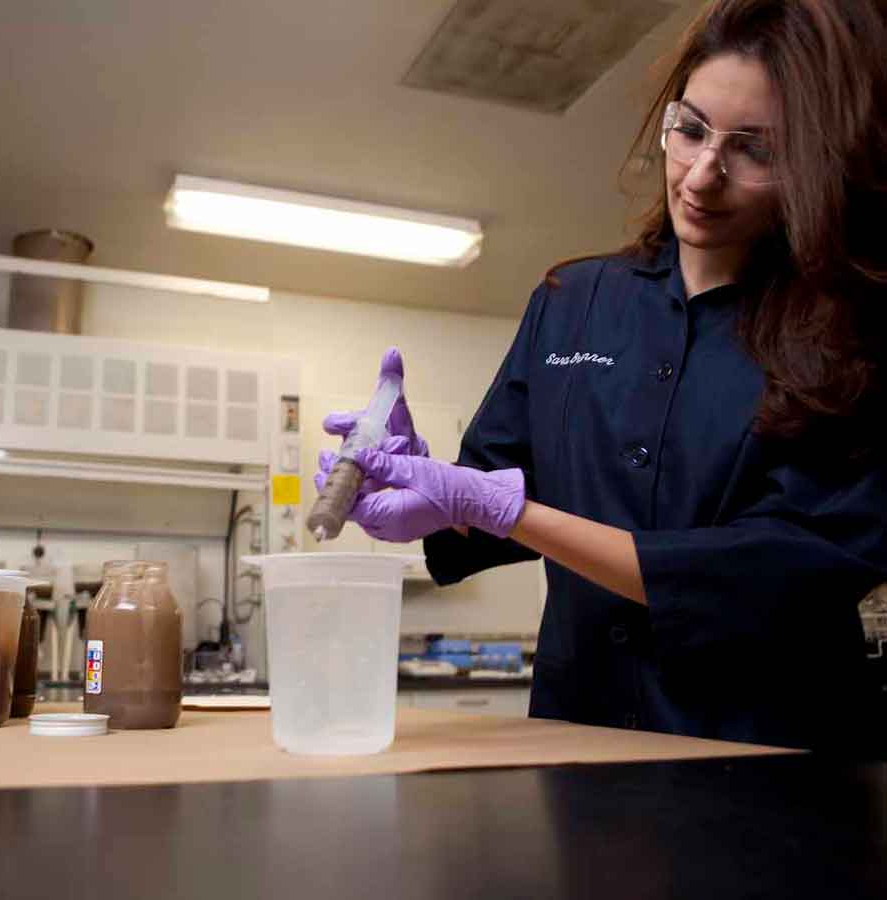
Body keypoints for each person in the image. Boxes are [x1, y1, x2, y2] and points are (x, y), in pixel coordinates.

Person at [318, 0, 887, 753]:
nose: (703, 175)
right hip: (579, 735)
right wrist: (423, 481)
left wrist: (501, 509)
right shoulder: (573, 305)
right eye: (689, 130)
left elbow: (786, 572)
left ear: (815, 163)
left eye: (755, 151)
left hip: (768, 757)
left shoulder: (852, 331)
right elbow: (489, 489)